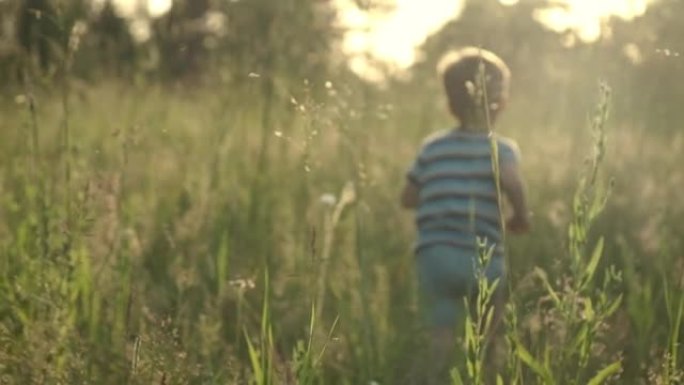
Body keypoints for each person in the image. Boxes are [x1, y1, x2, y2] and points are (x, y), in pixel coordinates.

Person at [400, 47, 530, 382]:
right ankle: (487, 376)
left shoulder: (432, 147)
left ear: (449, 103)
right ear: (501, 102)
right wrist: (521, 215)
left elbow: (408, 197)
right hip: (484, 258)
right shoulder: (501, 148)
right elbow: (512, 182)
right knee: (491, 334)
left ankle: (428, 377)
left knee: (438, 337)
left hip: (435, 256)